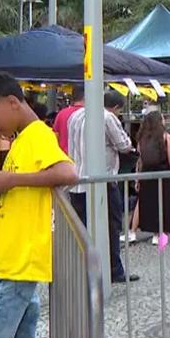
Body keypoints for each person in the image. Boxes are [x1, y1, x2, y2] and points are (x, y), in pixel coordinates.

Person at [0, 72, 78, 338]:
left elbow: (68, 172)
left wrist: (10, 180)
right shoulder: (22, 139)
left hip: (10, 268)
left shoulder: (37, 135)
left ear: (12, 103)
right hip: (10, 265)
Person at [66, 89, 137, 281]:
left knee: (82, 228)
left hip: (78, 180)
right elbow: (123, 144)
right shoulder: (107, 118)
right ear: (115, 107)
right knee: (111, 226)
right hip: (103, 181)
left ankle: (83, 271)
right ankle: (114, 269)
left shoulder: (75, 116)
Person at [134, 111, 170, 243]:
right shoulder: (166, 137)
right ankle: (162, 236)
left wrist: (137, 178)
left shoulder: (142, 139)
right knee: (164, 202)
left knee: (152, 203)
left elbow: (140, 159)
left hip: (147, 174)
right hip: (164, 173)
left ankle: (154, 234)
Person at [52, 84, 84, 153]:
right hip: (85, 159)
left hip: (64, 158)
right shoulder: (92, 116)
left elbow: (55, 137)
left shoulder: (61, 114)